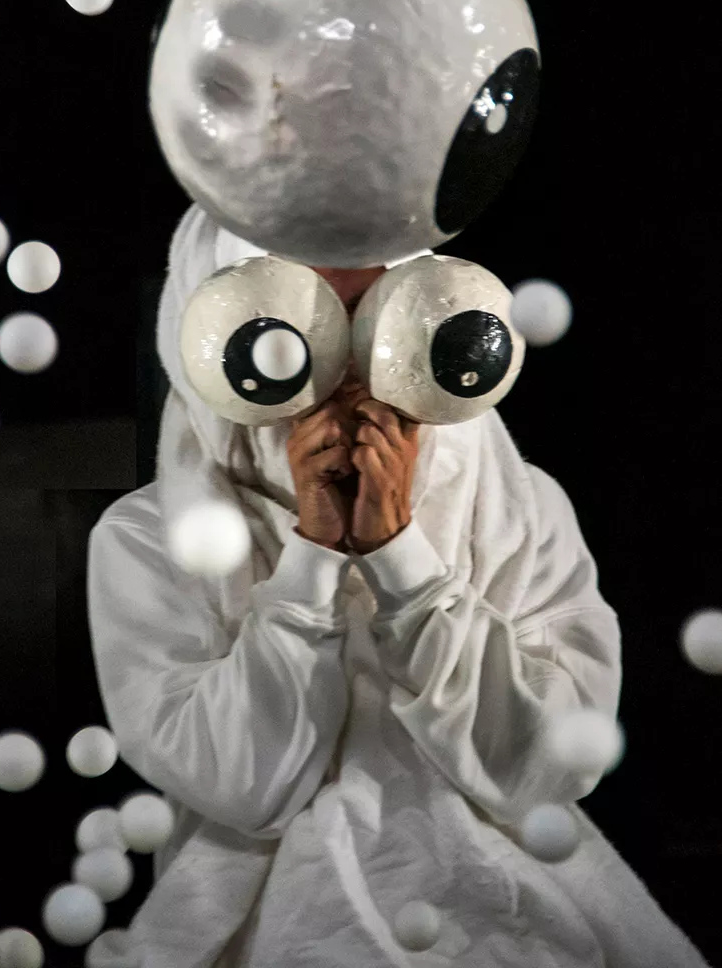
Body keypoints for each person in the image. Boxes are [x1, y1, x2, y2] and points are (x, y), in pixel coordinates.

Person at [86, 204, 710, 967]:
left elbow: (549, 766)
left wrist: (402, 561)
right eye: (298, 327)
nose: (348, 371)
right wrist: (312, 558)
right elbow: (239, 786)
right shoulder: (148, 536)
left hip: (515, 911)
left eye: (375, 319)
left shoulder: (520, 508)